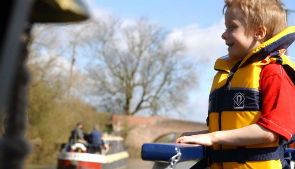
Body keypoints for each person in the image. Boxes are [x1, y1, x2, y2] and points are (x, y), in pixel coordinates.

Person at [176, 0, 295, 169]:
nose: (224, 34)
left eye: (232, 27)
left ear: (259, 32)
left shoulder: (274, 73)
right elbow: (235, 129)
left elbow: (270, 132)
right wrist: (200, 136)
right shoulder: (229, 75)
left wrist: (212, 137)